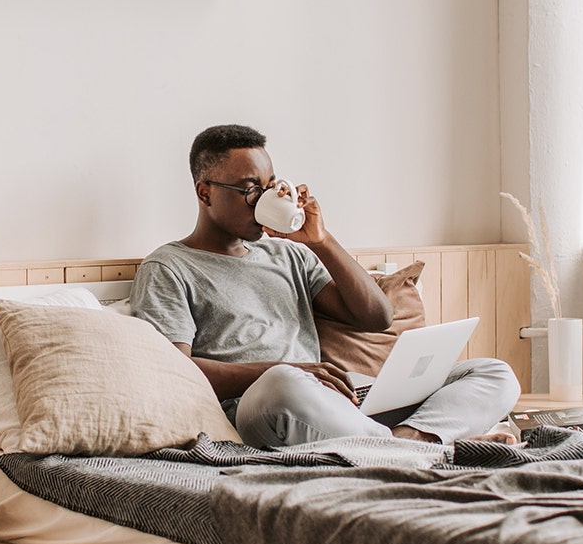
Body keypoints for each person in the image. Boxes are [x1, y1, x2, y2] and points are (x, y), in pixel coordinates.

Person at [130, 124, 520, 448]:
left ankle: (408, 444)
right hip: (267, 404)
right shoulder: (170, 267)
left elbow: (377, 317)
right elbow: (175, 371)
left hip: (340, 403)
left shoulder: (289, 256)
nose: (263, 199)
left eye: (269, 185)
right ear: (205, 192)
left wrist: (321, 240)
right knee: (282, 383)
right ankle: (430, 446)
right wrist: (288, 369)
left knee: (494, 372)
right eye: (250, 188)